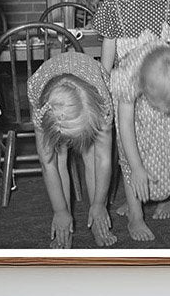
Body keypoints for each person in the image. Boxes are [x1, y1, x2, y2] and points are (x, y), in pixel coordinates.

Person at [111, 40, 170, 243]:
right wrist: (136, 168)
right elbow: (125, 127)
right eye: (162, 107)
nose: (166, 112)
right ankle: (135, 216)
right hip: (138, 122)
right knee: (133, 162)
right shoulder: (129, 77)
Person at [27, 51, 117, 249]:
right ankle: (64, 225)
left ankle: (97, 219)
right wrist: (60, 211)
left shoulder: (102, 104)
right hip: (47, 83)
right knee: (58, 157)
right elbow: (48, 164)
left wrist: (99, 203)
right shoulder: (40, 103)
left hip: (92, 79)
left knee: (91, 155)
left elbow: (103, 160)